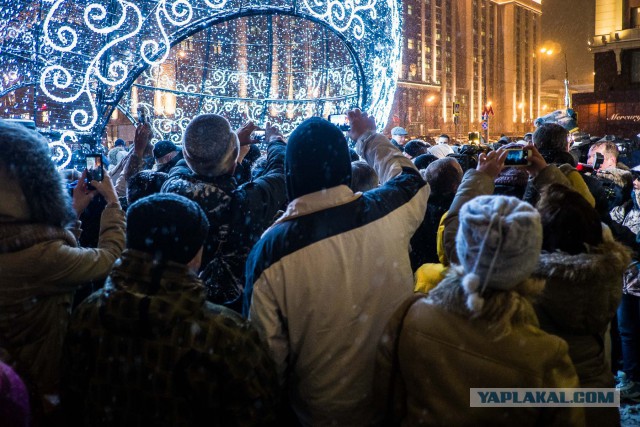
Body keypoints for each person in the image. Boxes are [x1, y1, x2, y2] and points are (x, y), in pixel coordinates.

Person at [244, 110, 429, 426]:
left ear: (291, 174)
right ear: (345, 168)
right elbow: (411, 178)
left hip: (321, 413)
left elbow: (265, 363)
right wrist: (368, 136)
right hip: (396, 402)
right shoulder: (389, 210)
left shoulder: (272, 250)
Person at [375, 150, 584, 426]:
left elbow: (386, 400)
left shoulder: (411, 316)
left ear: (462, 247)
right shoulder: (544, 353)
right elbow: (580, 222)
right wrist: (545, 175)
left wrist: (479, 177)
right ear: (529, 258)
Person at [61, 193, 279, 426]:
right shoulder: (228, 336)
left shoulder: (88, 314)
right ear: (196, 255)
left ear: (129, 242)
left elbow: (71, 402)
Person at [0, 120, 125, 420]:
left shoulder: (19, 240)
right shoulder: (40, 256)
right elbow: (109, 258)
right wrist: (112, 202)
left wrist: (74, 210)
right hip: (33, 390)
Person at [162, 115, 287, 310]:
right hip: (228, 310)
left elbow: (185, 161)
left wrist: (229, 143)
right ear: (233, 163)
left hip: (175, 304)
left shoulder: (170, 188)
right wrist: (275, 141)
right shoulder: (242, 204)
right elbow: (280, 173)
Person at [532, 183, 630, 426]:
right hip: (598, 396)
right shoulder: (606, 274)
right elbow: (577, 214)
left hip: (550, 399)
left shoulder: (534, 286)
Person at [409, 157, 462, 271]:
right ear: (455, 185)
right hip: (448, 275)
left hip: (420, 274)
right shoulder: (459, 210)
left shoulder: (414, 206)